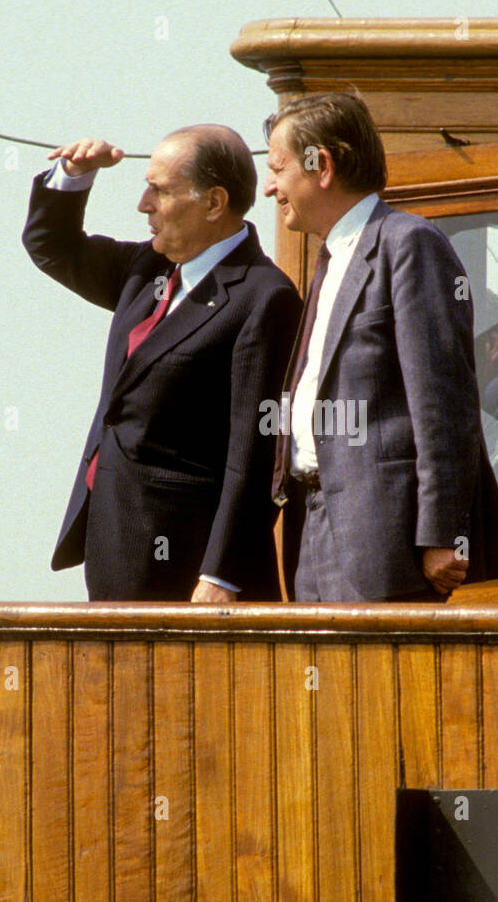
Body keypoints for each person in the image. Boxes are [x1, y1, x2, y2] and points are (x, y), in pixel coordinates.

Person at [23, 125, 301, 601]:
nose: (143, 204)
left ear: (214, 203)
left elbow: (255, 454)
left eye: (160, 190)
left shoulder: (264, 297)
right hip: (114, 545)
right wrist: (73, 175)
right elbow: (53, 246)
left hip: (189, 566)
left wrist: (222, 575)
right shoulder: (147, 270)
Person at [264, 92, 498, 601]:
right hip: (309, 527)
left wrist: (441, 534)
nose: (270, 186)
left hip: (382, 538)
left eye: (278, 168)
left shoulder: (408, 243)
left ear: (322, 166)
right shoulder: (331, 258)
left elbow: (443, 400)